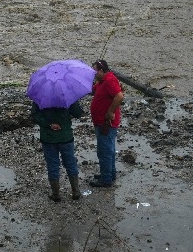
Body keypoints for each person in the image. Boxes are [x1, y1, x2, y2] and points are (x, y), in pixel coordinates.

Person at [31, 100, 84, 202]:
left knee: (52, 165)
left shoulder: (41, 96)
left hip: (48, 138)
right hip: (65, 136)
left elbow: (35, 114)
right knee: (70, 163)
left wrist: (49, 124)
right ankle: (76, 192)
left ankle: (56, 194)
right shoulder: (68, 95)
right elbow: (78, 113)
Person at [89, 59, 124, 187]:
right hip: (101, 122)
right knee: (109, 150)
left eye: (94, 71)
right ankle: (110, 173)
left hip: (106, 123)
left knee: (104, 151)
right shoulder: (102, 81)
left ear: (101, 70)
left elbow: (119, 96)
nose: (93, 74)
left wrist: (110, 112)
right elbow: (92, 90)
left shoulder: (109, 80)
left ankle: (106, 179)